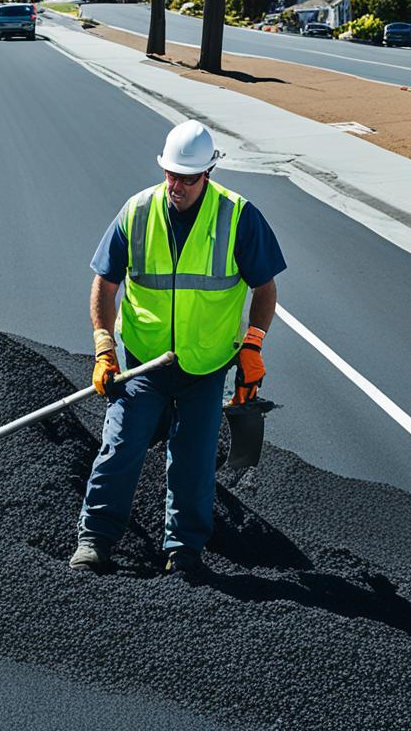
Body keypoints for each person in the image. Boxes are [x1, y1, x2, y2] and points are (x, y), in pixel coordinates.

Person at [70, 120, 286, 576]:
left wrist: (253, 345)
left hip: (205, 367)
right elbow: (104, 283)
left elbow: (264, 289)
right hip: (143, 364)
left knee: (192, 459)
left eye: (189, 177)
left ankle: (183, 551)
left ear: (208, 173)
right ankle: (94, 541)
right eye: (172, 174)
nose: (178, 185)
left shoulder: (238, 217)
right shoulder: (136, 212)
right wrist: (104, 346)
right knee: (121, 446)